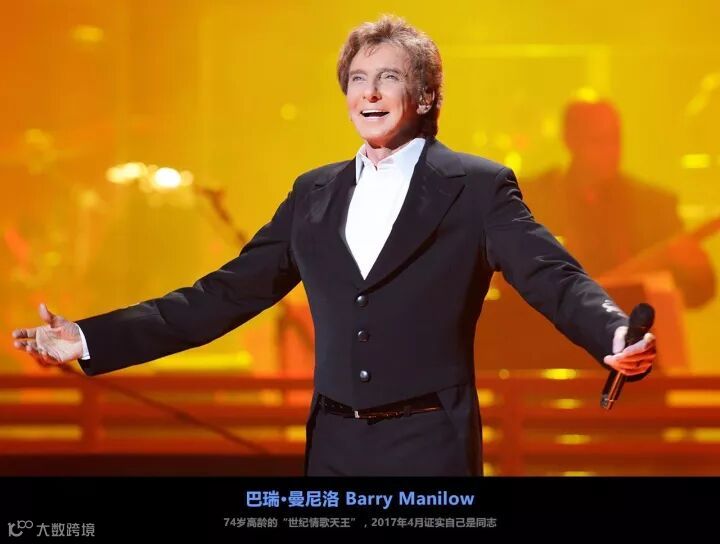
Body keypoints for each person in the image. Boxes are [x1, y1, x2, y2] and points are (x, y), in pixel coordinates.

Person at [11, 16, 656, 476]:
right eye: (357, 78)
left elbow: (551, 274)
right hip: (333, 449)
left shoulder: (477, 188)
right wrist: (88, 339)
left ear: (426, 94)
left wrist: (612, 332)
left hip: (430, 447)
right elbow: (219, 297)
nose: (368, 93)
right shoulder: (313, 194)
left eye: (388, 78)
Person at [521, 99, 716, 309]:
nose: (611, 151)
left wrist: (696, 271)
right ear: (570, 141)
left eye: (615, 139)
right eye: (598, 141)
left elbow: (697, 294)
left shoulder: (652, 207)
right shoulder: (536, 202)